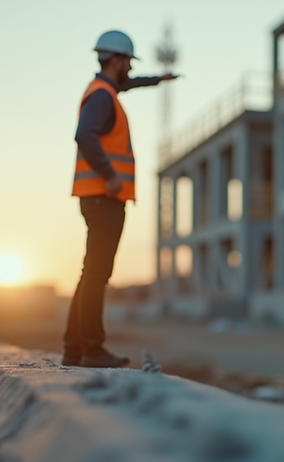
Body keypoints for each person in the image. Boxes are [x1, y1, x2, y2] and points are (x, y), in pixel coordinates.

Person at [62, 30, 177, 368]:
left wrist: (157, 79)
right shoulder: (102, 97)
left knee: (90, 273)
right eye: (127, 62)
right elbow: (84, 135)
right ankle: (92, 350)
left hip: (96, 198)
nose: (128, 68)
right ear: (116, 60)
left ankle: (74, 350)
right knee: (97, 274)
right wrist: (111, 175)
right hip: (104, 197)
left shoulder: (104, 90)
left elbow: (126, 85)